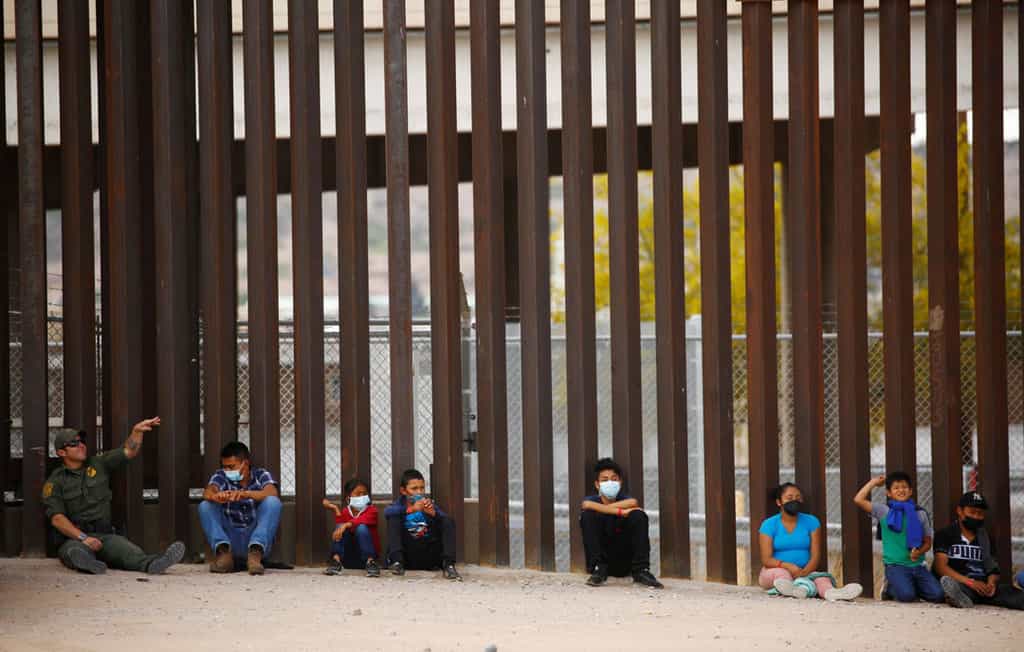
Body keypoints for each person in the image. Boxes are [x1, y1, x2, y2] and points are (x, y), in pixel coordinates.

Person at [41, 421, 185, 575]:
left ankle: (155, 564)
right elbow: (57, 518)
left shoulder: (98, 463)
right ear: (62, 453)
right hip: (75, 537)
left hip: (105, 536)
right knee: (74, 551)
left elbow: (128, 451)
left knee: (129, 551)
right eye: (74, 443)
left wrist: (137, 432)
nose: (81, 445)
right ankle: (88, 564)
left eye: (81, 441)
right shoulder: (55, 482)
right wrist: (83, 538)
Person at [758, 482, 861, 601]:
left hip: (804, 571)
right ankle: (792, 589)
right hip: (774, 571)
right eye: (789, 498)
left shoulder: (811, 521)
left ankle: (832, 593)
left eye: (798, 497)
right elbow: (766, 560)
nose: (794, 500)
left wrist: (805, 572)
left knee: (822, 579)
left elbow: (815, 555)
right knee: (782, 576)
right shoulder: (769, 524)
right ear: (779, 502)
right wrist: (788, 566)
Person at [853, 471, 943, 602]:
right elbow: (858, 499)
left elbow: (928, 543)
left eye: (904, 487)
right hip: (895, 566)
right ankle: (890, 588)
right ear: (889, 493)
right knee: (907, 596)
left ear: (911, 491)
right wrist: (873, 482)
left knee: (938, 595)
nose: (901, 490)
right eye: (896, 488)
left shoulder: (920, 513)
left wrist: (919, 552)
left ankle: (910, 586)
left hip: (918, 565)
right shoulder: (884, 511)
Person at [199, 441, 282, 575]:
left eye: (231, 467)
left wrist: (245, 494)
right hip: (231, 542)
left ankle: (255, 557)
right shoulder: (220, 476)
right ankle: (224, 555)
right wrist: (216, 496)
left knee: (273, 502)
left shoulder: (261, 475)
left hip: (256, 541)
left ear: (246, 463)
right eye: (225, 467)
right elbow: (208, 492)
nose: (227, 471)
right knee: (205, 505)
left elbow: (272, 492)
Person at [579, 458, 663, 588]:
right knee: (587, 515)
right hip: (602, 562)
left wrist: (603, 509)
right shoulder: (593, 500)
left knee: (638, 515)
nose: (610, 482)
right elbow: (586, 504)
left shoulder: (625, 499)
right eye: (605, 480)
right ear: (597, 485)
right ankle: (598, 569)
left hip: (625, 561)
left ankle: (641, 571)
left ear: (620, 482)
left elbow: (633, 503)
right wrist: (620, 512)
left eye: (614, 479)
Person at [933, 491, 1024, 610]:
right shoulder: (944, 534)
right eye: (972, 512)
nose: (976, 516)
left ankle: (961, 599)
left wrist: (991, 583)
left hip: (983, 585)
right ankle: (960, 596)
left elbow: (993, 569)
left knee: (1008, 591)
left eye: (980, 513)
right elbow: (940, 567)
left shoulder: (985, 537)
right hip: (962, 581)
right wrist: (971, 583)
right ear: (960, 511)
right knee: (955, 586)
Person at [383, 469, 461, 581]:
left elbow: (446, 521)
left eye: (422, 488)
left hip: (428, 555)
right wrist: (411, 509)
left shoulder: (427, 504)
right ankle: (396, 563)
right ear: (403, 491)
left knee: (446, 520)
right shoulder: (398, 505)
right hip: (407, 557)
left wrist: (434, 514)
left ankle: (449, 565)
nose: (419, 492)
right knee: (394, 518)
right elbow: (387, 512)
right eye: (414, 489)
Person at [322, 478, 380, 577]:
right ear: (348, 498)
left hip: (365, 558)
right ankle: (336, 561)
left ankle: (371, 562)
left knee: (361, 528)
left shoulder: (372, 510)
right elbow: (340, 526)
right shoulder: (345, 511)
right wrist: (335, 509)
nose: (362, 496)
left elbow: (360, 521)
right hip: (348, 558)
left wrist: (346, 525)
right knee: (340, 527)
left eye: (364, 493)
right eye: (358, 494)